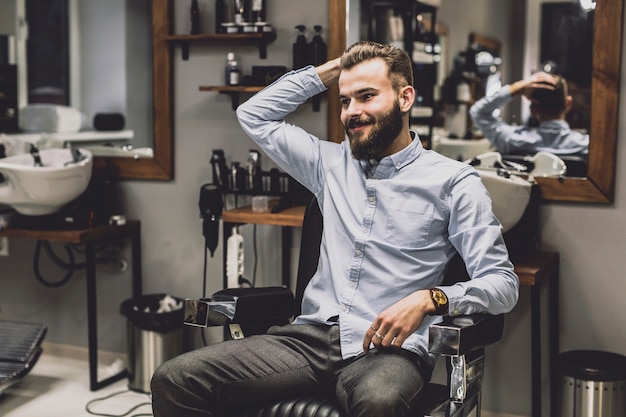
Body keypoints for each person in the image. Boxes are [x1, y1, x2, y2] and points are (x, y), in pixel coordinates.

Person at [151, 41, 519, 417]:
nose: (352, 112)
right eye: (345, 101)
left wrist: (430, 299)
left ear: (405, 98)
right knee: (175, 378)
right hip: (307, 341)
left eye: (367, 96)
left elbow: (503, 284)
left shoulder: (453, 182)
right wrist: (335, 69)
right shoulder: (329, 165)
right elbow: (253, 114)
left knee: (379, 402)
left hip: (388, 350)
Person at [469, 71, 589, 156]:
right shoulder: (586, 146)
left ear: (533, 109)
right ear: (568, 104)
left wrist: (516, 88)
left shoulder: (511, 140)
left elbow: (478, 112)